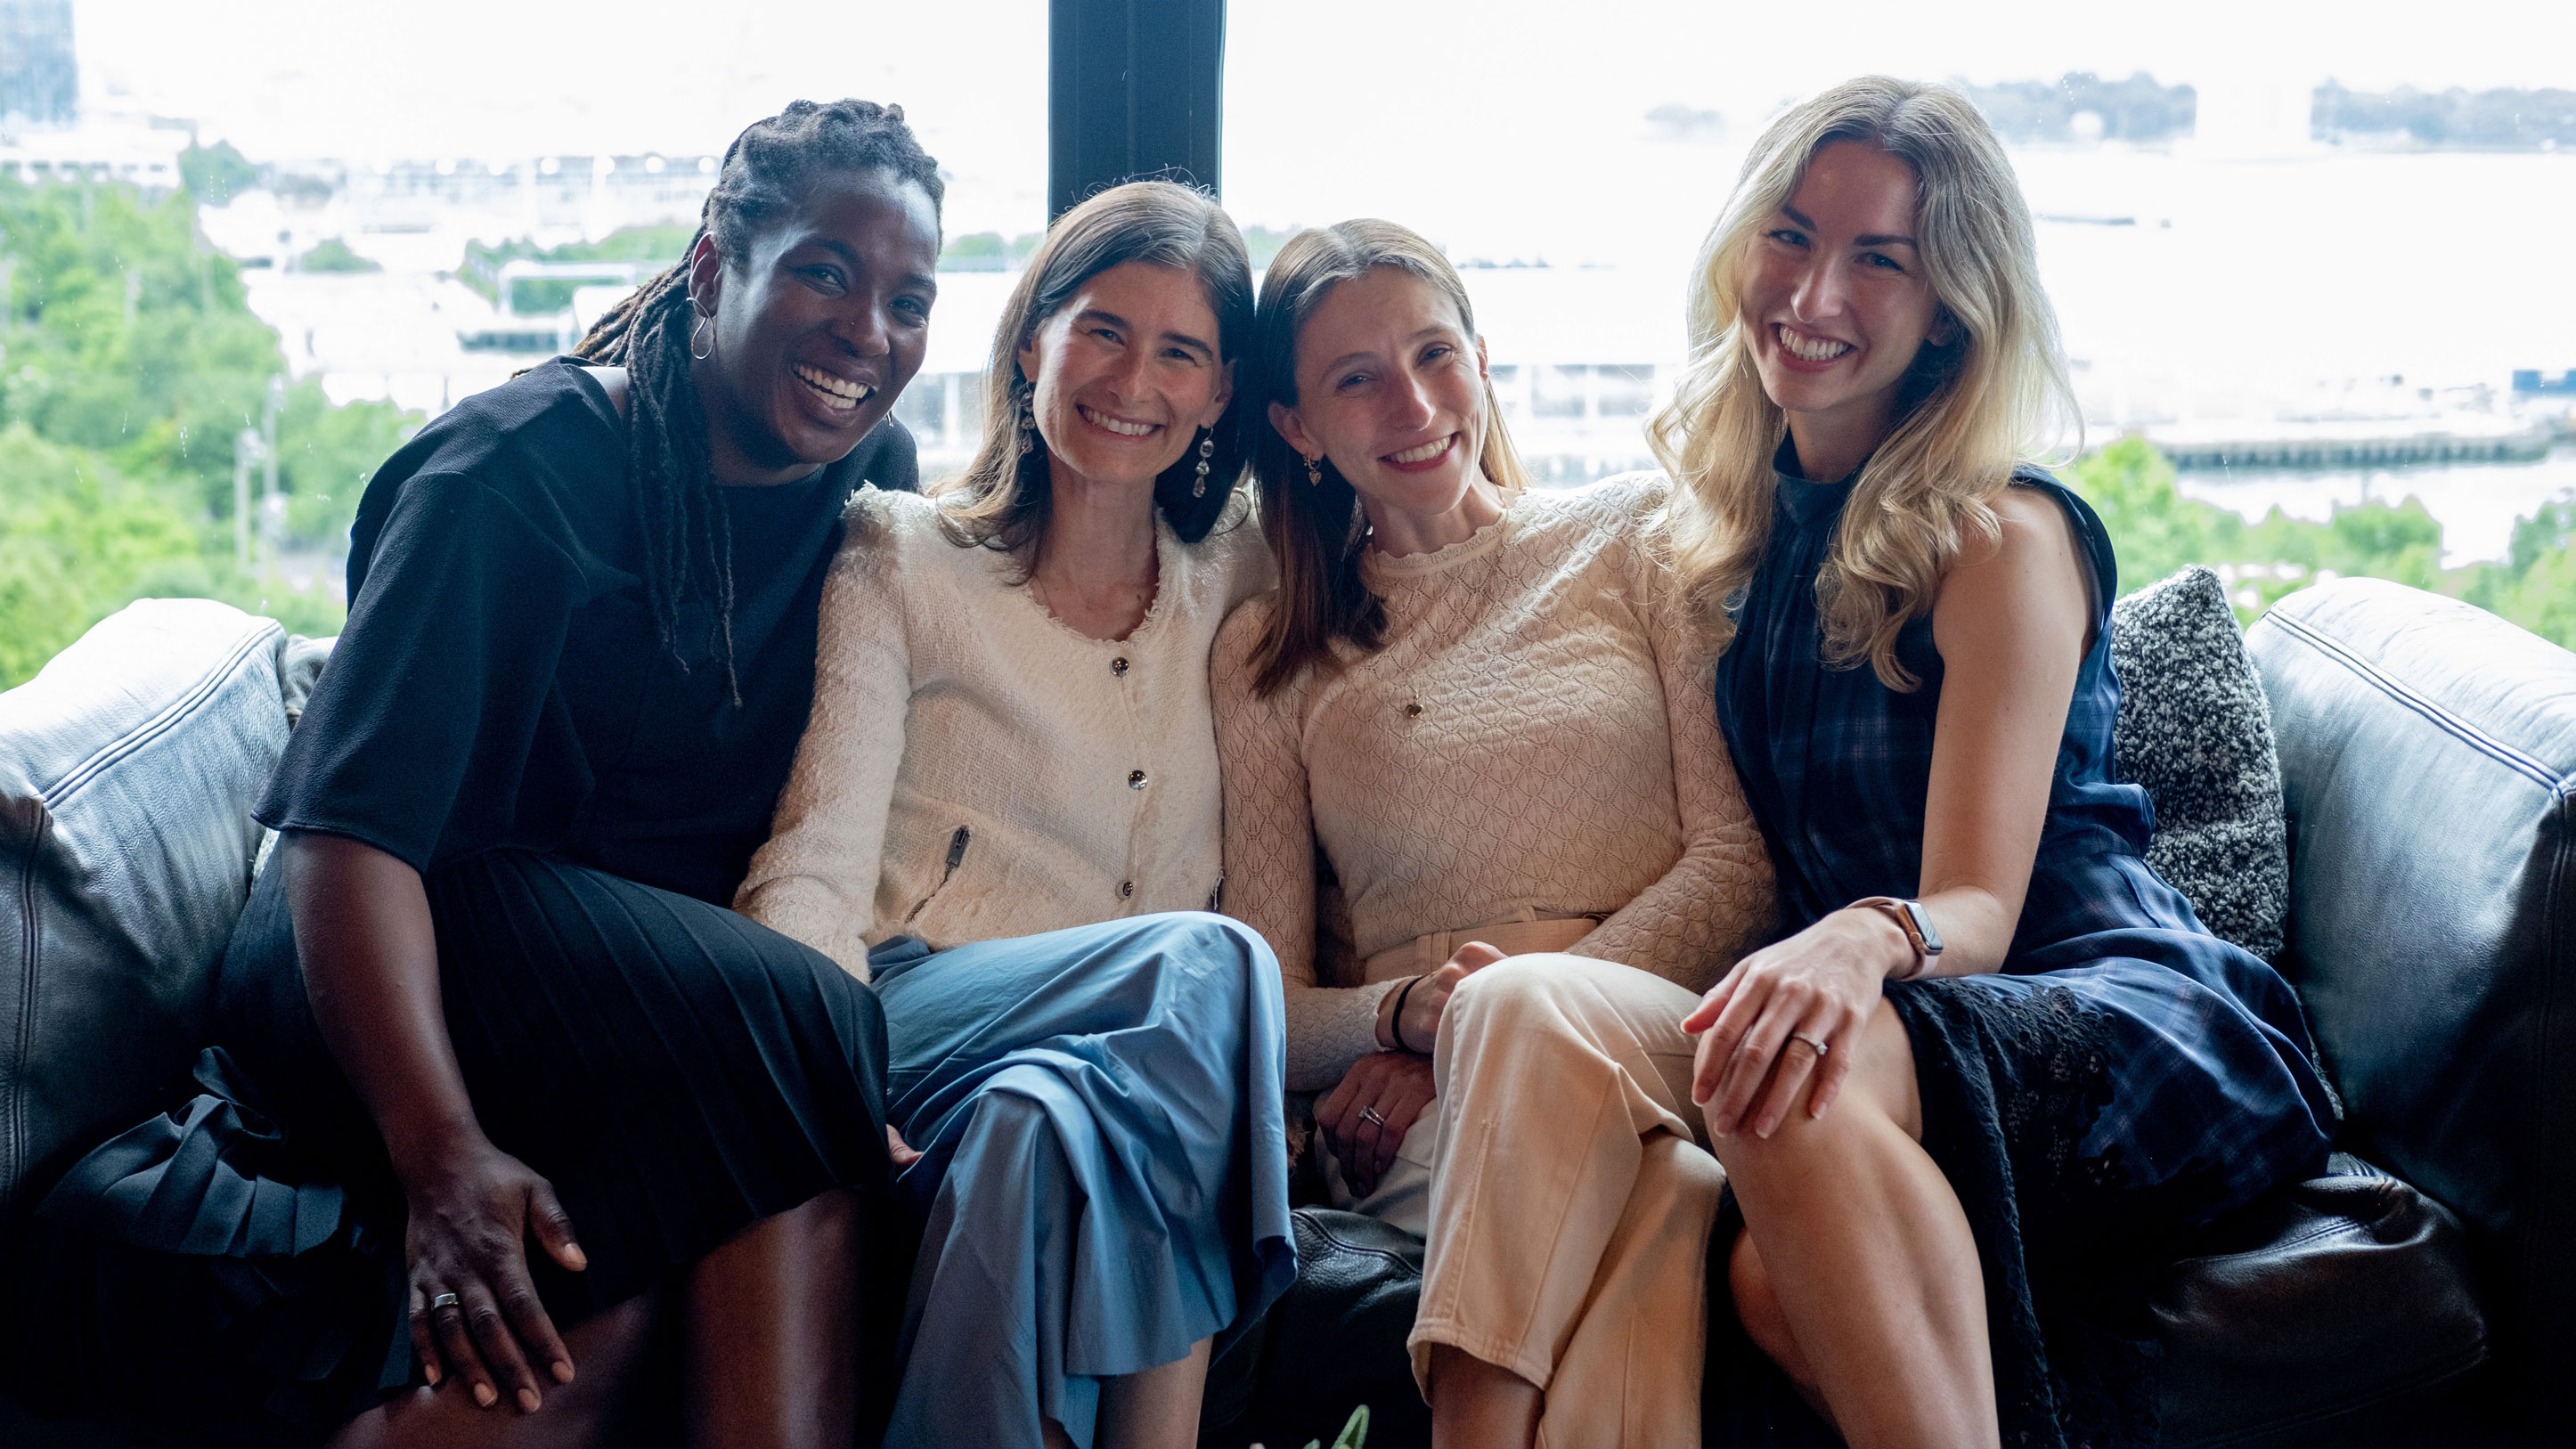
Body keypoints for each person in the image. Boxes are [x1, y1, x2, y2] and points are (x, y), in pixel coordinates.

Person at [33, 100, 944, 1449]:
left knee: (653, 1277)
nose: (867, 331)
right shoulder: (508, 476)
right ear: (712, 270)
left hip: (627, 1007)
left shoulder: (870, 480)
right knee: (807, 1035)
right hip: (388, 946)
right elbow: (346, 843)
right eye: (824, 270)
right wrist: (440, 1156)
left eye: (908, 297)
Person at [1660, 77, 2336, 1449]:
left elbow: (1976, 907)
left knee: (1783, 1076)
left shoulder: (2001, 537)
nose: (1813, 291)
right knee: (1764, 1286)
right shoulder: (1742, 542)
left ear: (1951, 307)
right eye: (1789, 236)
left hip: (2099, 1001)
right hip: (1902, 1034)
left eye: (1879, 259)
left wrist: (1857, 940)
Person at [735, 179, 1292, 1449]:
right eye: (1103, 328)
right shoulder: (903, 557)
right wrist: (820, 1088)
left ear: (1216, 396)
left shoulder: (1240, 580)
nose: (1132, 378)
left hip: (1104, 1082)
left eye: (1181, 352)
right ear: (1032, 337)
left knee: (1033, 1130)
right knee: (1206, 962)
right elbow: (812, 866)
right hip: (907, 1013)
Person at [1213, 219, 1775, 1449]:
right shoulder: (1271, 656)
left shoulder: (1633, 538)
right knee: (1665, 1196)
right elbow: (1258, 995)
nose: (1411, 402)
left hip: (1664, 1034)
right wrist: (1413, 1018)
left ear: (1481, 356)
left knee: (1554, 1057)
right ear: (1299, 428)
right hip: (1439, 1111)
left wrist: (1510, 1014)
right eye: (1355, 378)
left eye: (1434, 353)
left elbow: (1736, 863)